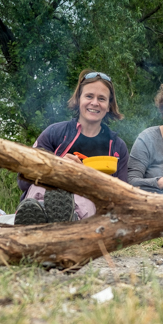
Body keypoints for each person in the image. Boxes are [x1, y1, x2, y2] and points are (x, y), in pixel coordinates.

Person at [16, 69, 129, 224]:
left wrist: (90, 179)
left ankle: (69, 218)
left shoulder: (117, 147)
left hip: (90, 209)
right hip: (44, 197)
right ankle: (40, 215)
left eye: (101, 99)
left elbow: (123, 199)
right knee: (45, 186)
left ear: (109, 106)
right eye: (89, 96)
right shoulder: (54, 133)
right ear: (78, 99)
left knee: (86, 195)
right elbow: (22, 181)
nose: (94, 103)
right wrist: (57, 165)